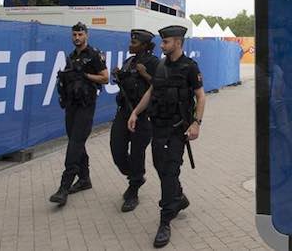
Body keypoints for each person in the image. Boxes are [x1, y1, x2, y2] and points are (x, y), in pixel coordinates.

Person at [128, 25, 206, 248]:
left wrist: (196, 123)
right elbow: (151, 92)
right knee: (160, 167)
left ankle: (165, 220)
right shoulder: (161, 66)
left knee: (170, 170)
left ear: (178, 43)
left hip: (177, 129)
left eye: (166, 42)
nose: (162, 46)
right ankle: (178, 198)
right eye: (162, 42)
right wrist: (135, 112)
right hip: (158, 127)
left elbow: (201, 96)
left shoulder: (189, 67)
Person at [50, 22, 108, 206]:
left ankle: (64, 187)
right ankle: (84, 179)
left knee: (75, 143)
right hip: (71, 105)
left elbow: (105, 78)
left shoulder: (93, 54)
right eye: (74, 35)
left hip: (86, 105)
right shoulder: (71, 55)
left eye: (80, 35)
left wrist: (85, 75)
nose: (77, 38)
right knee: (75, 141)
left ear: (86, 36)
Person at [110, 29, 159, 212]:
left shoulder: (153, 63)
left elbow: (159, 85)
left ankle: (133, 190)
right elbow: (126, 85)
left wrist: (146, 74)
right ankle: (136, 177)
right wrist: (119, 75)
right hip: (124, 113)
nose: (131, 45)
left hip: (143, 116)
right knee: (117, 150)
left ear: (145, 46)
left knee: (137, 153)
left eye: (135, 43)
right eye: (131, 42)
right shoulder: (129, 62)